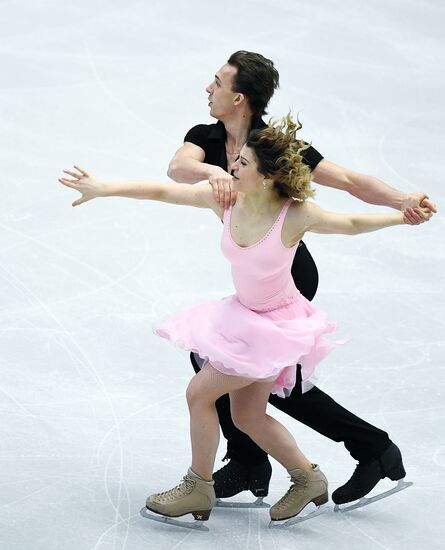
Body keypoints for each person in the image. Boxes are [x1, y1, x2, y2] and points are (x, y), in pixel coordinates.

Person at [58, 114, 431, 524]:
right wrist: (103, 188)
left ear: (268, 177)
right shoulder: (226, 199)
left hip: (275, 327)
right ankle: (307, 478)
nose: (231, 167)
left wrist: (403, 213)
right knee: (246, 416)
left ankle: (197, 486)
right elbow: (162, 190)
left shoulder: (295, 214)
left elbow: (354, 223)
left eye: (243, 164)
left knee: (200, 393)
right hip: (243, 315)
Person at [167, 50, 437, 506]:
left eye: (216, 82)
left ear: (239, 97)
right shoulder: (207, 138)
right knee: (219, 364)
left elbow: (349, 180)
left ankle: (372, 448)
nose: (207, 88)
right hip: (255, 278)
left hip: (289, 277)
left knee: (271, 384)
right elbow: (177, 167)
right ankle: (251, 459)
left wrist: (401, 200)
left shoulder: (273, 149)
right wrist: (215, 172)